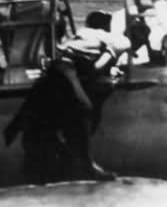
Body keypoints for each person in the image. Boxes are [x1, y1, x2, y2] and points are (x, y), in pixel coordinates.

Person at [39, 10, 130, 180]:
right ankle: (87, 166)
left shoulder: (82, 34)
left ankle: (71, 155)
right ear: (107, 27)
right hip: (65, 68)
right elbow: (96, 68)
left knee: (82, 105)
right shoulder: (120, 41)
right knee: (85, 109)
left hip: (60, 65)